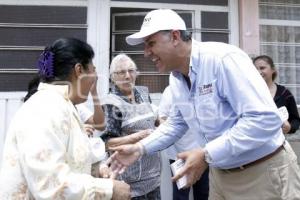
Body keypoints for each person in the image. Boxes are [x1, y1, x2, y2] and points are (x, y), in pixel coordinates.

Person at [108, 9, 300, 200]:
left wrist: (206, 153)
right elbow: (176, 123)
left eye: (151, 43)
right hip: (221, 174)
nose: (146, 53)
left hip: (261, 172)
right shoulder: (176, 78)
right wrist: (139, 148)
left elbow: (264, 120)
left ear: (175, 37)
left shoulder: (222, 59)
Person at [0, 38, 130, 200]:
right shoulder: (44, 107)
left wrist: (96, 170)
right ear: (79, 70)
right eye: (93, 70)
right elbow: (48, 184)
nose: (95, 77)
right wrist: (108, 190)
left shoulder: (64, 105)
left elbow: (66, 159)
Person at [101, 53, 161, 199]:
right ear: (113, 77)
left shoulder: (142, 92)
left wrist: (161, 122)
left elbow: (153, 118)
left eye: (131, 71)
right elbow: (108, 143)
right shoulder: (112, 102)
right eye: (121, 72)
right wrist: (138, 136)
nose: (128, 76)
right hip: (129, 182)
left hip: (153, 176)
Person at [159, 85, 209, 200]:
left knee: (203, 191)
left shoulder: (202, 87)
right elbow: (162, 118)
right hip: (178, 154)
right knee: (181, 194)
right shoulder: (170, 90)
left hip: (201, 153)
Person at [253, 55, 300, 134]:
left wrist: (290, 127)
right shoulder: (249, 92)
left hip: (276, 144)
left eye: (262, 68)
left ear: (273, 69)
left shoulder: (284, 93)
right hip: (252, 143)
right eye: (255, 69)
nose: (258, 72)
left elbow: (296, 120)